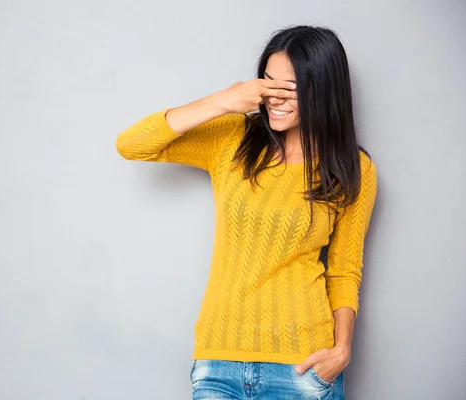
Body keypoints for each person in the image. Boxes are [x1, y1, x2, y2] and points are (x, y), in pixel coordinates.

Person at [115, 25, 377, 400]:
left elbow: (345, 269)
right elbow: (131, 144)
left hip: (303, 366)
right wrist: (224, 100)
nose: (274, 97)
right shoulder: (234, 139)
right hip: (217, 362)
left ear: (323, 90)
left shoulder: (353, 167)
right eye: (267, 83)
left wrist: (342, 350)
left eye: (289, 87)